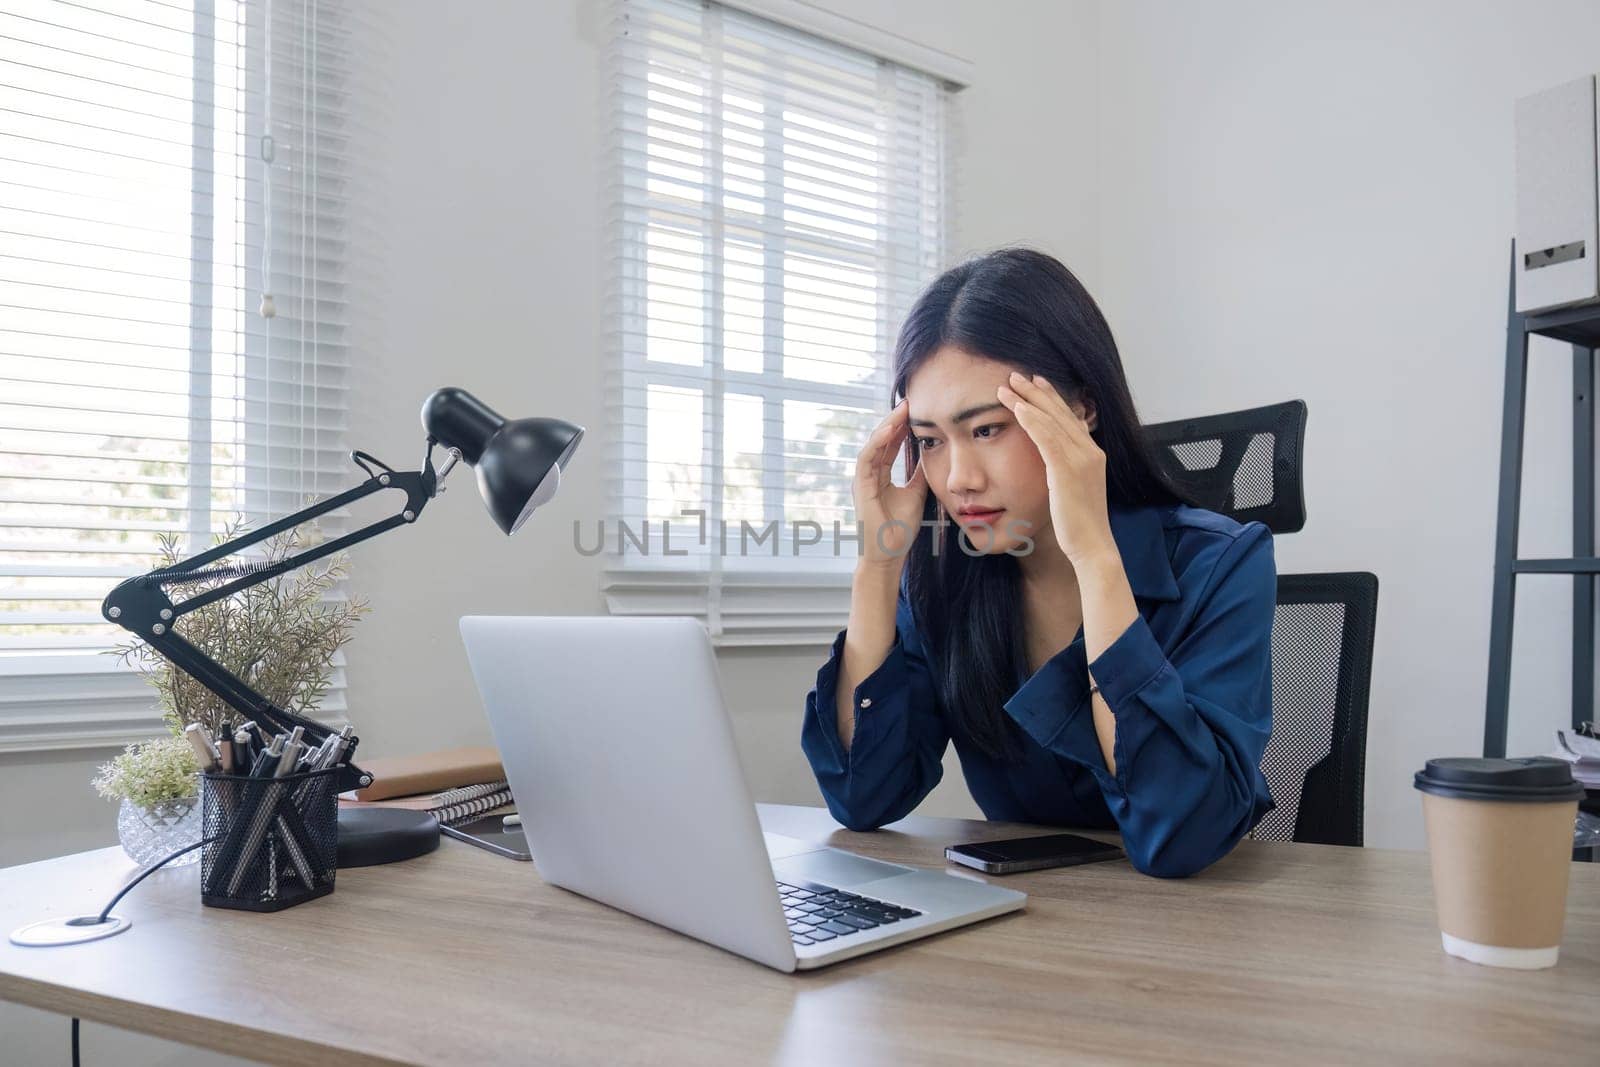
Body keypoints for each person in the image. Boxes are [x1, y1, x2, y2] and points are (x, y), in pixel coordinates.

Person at [800, 247, 1276, 878]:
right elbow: (862, 797)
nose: (959, 479)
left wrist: (1097, 559)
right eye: (930, 441)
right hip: (1023, 925)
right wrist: (880, 565)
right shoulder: (946, 574)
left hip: (1201, 933)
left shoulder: (1219, 564)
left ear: (1080, 409)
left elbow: (1180, 837)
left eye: (989, 429)